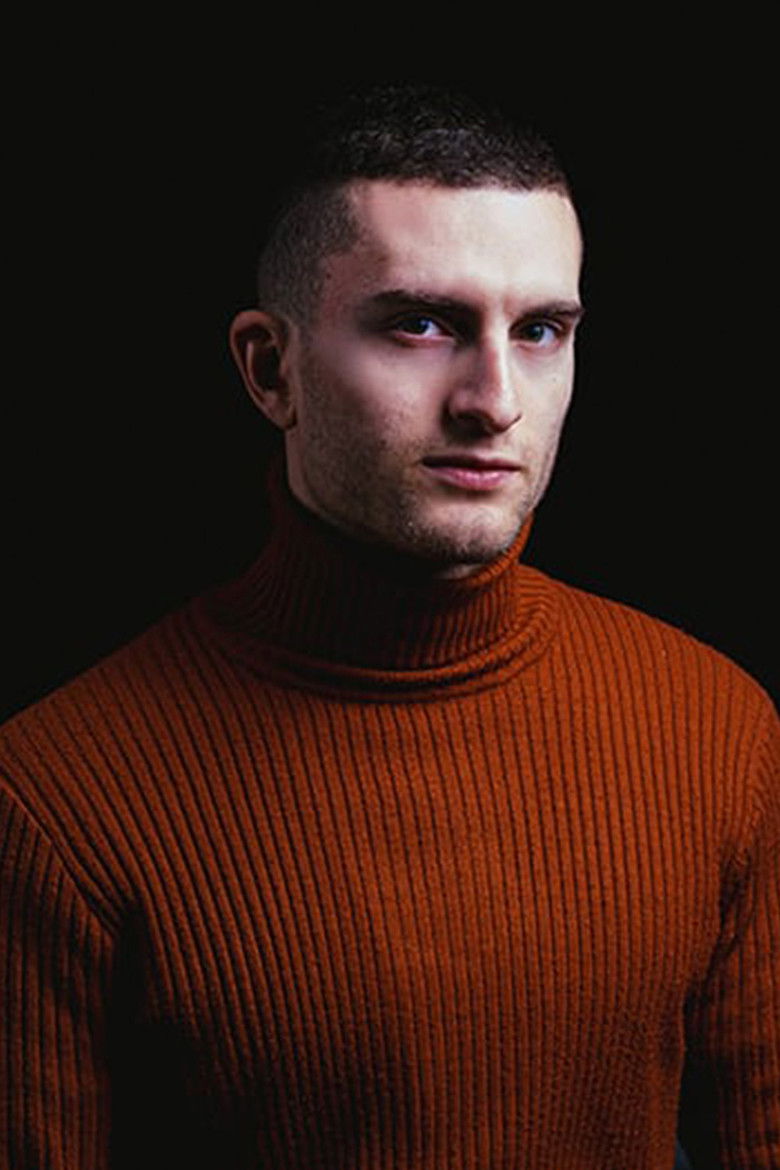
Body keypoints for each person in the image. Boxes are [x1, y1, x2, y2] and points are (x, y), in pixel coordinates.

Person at [1, 86, 777, 1170]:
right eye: (421, 324)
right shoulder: (56, 800)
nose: (494, 400)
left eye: (541, 331)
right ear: (270, 369)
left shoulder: (716, 728)